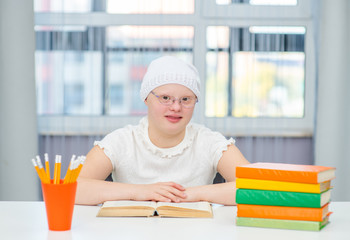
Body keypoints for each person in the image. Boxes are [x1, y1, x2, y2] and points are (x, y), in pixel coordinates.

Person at [76, 56, 249, 206]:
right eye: (165, 98)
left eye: (186, 99)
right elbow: (74, 188)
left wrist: (186, 194)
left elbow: (256, 187)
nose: (176, 107)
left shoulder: (209, 141)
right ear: (145, 98)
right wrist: (140, 192)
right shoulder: (122, 141)